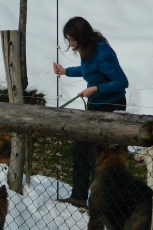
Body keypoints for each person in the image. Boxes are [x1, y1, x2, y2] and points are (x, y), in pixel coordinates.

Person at [53, 16, 129, 208]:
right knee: (80, 148)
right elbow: (89, 70)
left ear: (81, 36)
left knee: (96, 153)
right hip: (96, 106)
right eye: (68, 39)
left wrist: (95, 89)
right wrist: (65, 71)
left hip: (111, 107)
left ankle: (101, 201)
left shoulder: (103, 52)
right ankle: (78, 197)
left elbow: (122, 82)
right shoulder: (86, 49)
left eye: (71, 39)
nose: (70, 44)